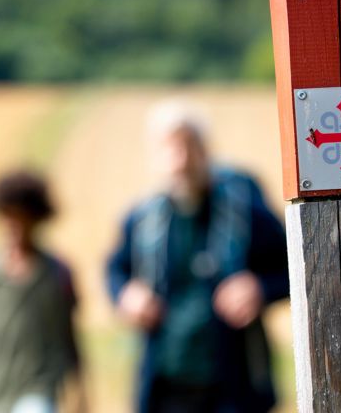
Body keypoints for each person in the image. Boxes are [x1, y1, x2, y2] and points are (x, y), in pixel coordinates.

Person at [106, 100, 290, 413]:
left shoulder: (246, 211)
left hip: (234, 385)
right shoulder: (140, 219)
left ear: (206, 151)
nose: (180, 160)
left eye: (189, 146)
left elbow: (293, 270)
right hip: (165, 384)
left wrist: (259, 287)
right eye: (170, 148)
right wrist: (126, 295)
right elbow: (116, 269)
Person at [0, 170, 83, 413]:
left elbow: (69, 335)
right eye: (8, 216)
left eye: (22, 217)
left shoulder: (57, 273)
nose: (14, 225)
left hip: (40, 386)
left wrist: (81, 388)